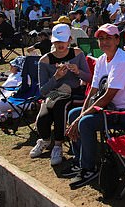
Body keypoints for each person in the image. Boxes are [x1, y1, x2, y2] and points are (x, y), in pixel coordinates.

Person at [65, 24, 125, 189]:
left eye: (109, 38)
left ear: (117, 40)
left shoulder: (122, 60)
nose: (104, 42)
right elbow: (93, 92)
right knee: (73, 114)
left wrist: (81, 118)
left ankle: (89, 168)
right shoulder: (102, 60)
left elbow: (107, 96)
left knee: (85, 122)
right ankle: (81, 160)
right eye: (101, 38)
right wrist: (79, 115)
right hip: (112, 108)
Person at [31, 24, 90, 166]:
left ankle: (58, 145)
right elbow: (43, 91)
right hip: (53, 94)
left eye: (63, 41)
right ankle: (45, 140)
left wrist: (78, 72)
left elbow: (89, 78)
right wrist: (56, 78)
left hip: (73, 92)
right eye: (57, 41)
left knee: (60, 107)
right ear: (52, 41)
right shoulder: (44, 61)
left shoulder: (77, 54)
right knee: (43, 117)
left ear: (69, 39)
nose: (60, 44)